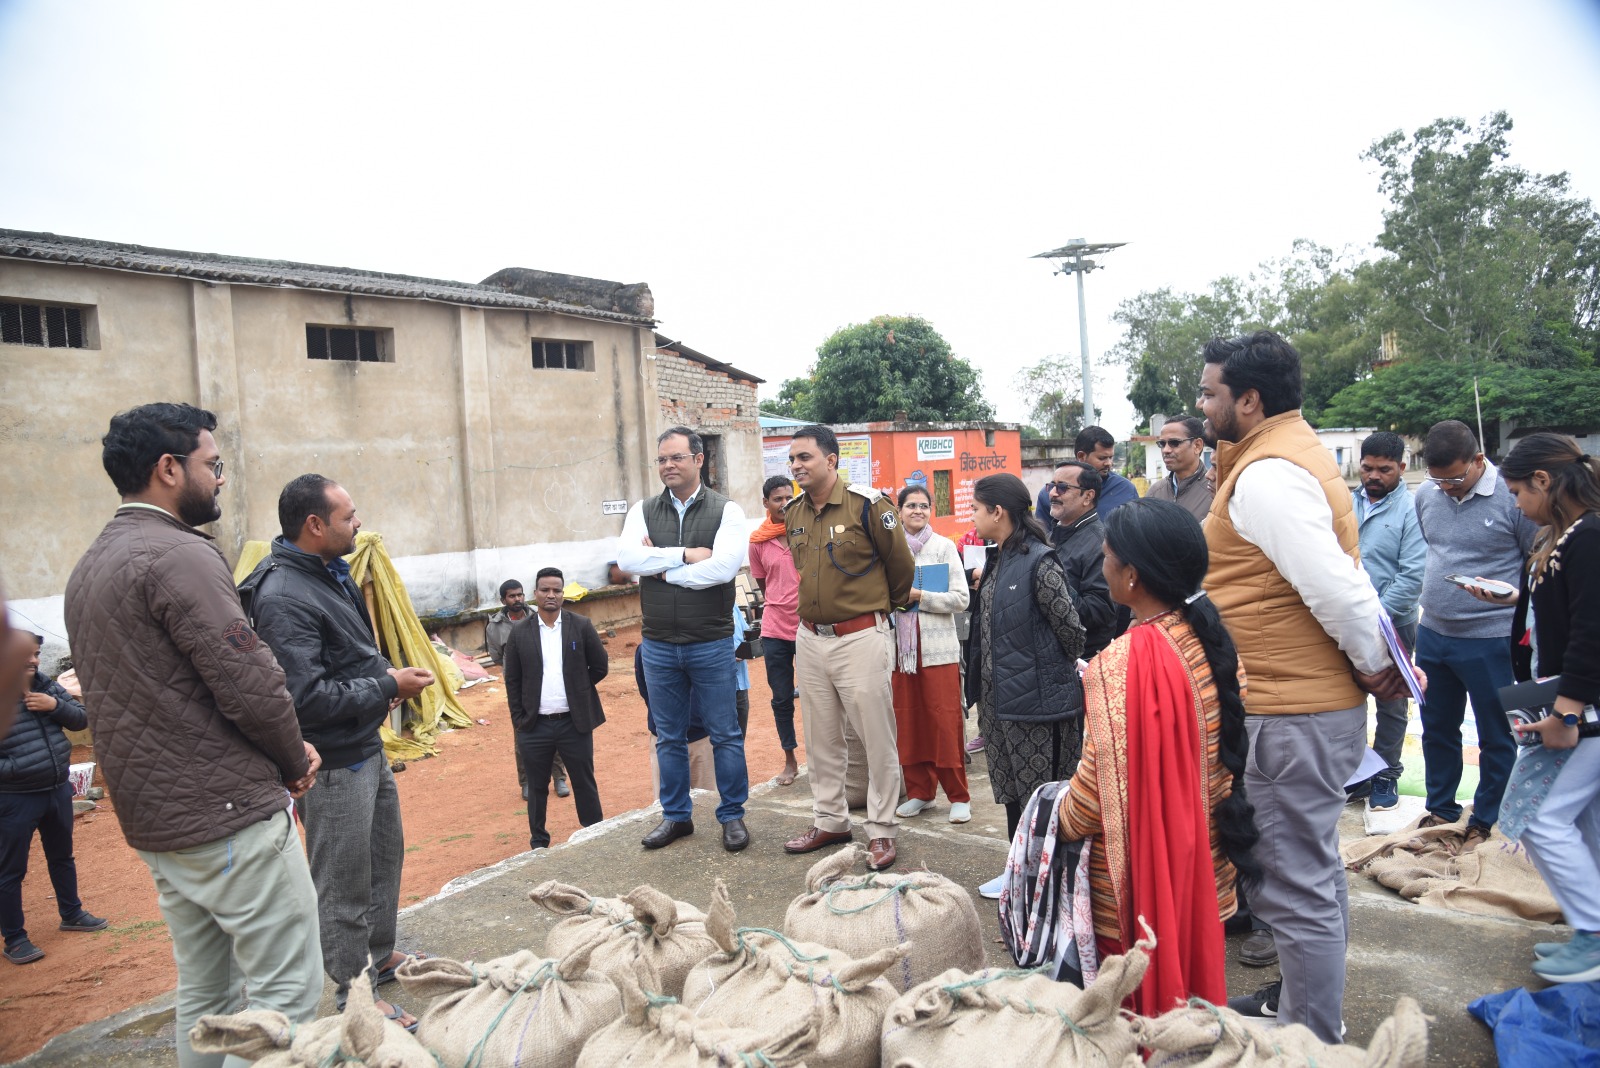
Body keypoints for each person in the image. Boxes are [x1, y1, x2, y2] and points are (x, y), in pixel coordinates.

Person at [64, 402, 323, 1068]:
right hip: (228, 815)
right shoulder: (179, 556)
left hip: (162, 825)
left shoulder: (91, 565)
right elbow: (250, 681)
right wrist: (293, 759)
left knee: (207, 995)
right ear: (168, 468)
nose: (221, 479)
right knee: (286, 996)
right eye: (214, 465)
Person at [1197, 332, 1411, 1042]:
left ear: (1249, 400)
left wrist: (1374, 662)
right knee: (1312, 876)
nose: (1201, 406)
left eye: (1209, 393)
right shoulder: (1281, 454)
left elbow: (1338, 589)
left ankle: (1311, 1043)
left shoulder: (1267, 476)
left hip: (1288, 709)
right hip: (1299, 703)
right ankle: (1312, 1017)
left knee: (1292, 885)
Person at [247, 473, 435, 1030]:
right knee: (343, 879)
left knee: (383, 857)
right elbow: (304, 699)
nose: (358, 525)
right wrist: (388, 687)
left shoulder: (329, 572)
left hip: (364, 745)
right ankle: (354, 996)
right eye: (349, 517)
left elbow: (352, 653)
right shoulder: (282, 596)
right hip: (329, 761)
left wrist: (382, 675)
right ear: (314, 525)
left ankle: (378, 958)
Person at [1058, 499, 1260, 1015]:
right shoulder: (1211, 643)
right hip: (1201, 863)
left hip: (1134, 882)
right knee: (1187, 1000)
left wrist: (1053, 822)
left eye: (1106, 557)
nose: (1101, 567)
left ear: (1131, 577)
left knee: (1126, 1009)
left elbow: (1091, 793)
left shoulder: (1118, 665)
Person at [1486, 433, 1600, 984]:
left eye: (1516, 492)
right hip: (1573, 700)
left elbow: (1591, 632)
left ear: (1543, 481)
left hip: (1582, 707)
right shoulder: (1567, 536)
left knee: (1539, 817)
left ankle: (1594, 931)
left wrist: (1568, 713)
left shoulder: (1590, 536)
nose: (1516, 504)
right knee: (1582, 817)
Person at [782, 424, 915, 872]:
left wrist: (877, 612)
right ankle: (831, 820)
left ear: (832, 460)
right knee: (821, 739)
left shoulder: (869, 505)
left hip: (860, 636)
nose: (797, 466)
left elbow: (901, 566)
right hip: (811, 638)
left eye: (805, 458)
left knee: (875, 738)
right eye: (793, 459)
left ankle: (881, 830)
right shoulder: (795, 512)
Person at [616, 426, 750, 853]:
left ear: (699, 460)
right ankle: (676, 816)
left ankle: (732, 817)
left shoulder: (726, 511)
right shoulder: (642, 509)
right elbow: (627, 559)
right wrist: (685, 555)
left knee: (724, 733)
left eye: (675, 457)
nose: (667, 466)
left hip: (710, 642)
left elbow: (723, 569)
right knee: (668, 736)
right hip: (657, 644)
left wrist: (659, 568)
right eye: (661, 459)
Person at [1413, 420, 1537, 847]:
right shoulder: (1426, 494)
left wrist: (1510, 596)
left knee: (1496, 734)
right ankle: (1441, 809)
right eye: (1438, 478)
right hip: (1433, 634)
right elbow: (1435, 547)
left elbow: (1534, 563)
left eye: (1454, 477)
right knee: (1437, 727)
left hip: (1493, 638)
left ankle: (1486, 819)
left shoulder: (1514, 497)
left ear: (1479, 460)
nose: (1446, 487)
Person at [966, 473, 1085, 898]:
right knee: (1014, 795)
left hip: (1037, 705)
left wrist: (1043, 670)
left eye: (977, 509)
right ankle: (1020, 872)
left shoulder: (1040, 561)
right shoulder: (998, 560)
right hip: (1000, 704)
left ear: (998, 512)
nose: (973, 517)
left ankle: (1044, 882)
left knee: (1041, 800)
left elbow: (1072, 631)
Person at [1, 633, 108, 966]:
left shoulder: (44, 685)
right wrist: (15, 769)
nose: (34, 660)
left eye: (36, 654)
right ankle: (15, 938)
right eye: (26, 655)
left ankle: (71, 913)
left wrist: (54, 705)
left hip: (57, 788)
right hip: (15, 798)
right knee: (10, 870)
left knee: (62, 856)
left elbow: (81, 718)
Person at [504, 567, 607, 852]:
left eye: (557, 590)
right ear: (535, 594)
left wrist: (577, 689)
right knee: (536, 787)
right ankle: (539, 842)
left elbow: (600, 666)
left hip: (574, 723)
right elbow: (512, 679)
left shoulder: (581, 626)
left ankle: (595, 834)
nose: (551, 595)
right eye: (545, 590)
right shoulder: (519, 633)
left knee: (584, 780)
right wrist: (519, 719)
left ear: (563, 594)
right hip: (534, 726)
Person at [1350, 431, 1427, 812]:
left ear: (1402, 466)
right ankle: (1356, 774)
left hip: (1393, 623)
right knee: (1348, 701)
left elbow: (1412, 576)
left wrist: (1371, 617)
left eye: (1384, 469)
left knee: (1392, 702)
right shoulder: (1345, 505)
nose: (1374, 476)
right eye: (1367, 468)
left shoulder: (1411, 509)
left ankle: (1386, 774)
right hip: (1344, 623)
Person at [890, 483, 972, 823]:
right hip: (900, 653)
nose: (918, 511)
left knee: (944, 720)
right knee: (908, 721)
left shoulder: (944, 548)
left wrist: (919, 595)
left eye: (924, 506)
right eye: (911, 505)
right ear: (899, 511)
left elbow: (961, 599)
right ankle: (920, 793)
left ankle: (958, 795)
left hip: (939, 651)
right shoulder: (890, 550)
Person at [486, 580, 569, 802]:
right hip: (518, 689)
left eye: (520, 595)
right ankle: (527, 782)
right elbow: (496, 657)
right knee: (523, 735)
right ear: (503, 600)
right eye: (512, 596)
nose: (517, 600)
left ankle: (559, 777)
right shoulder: (494, 627)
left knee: (555, 729)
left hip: (547, 682)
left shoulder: (538, 616)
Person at [748, 475, 802, 786]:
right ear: (766, 503)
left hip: (810, 626)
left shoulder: (806, 529)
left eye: (788, 497)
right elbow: (764, 585)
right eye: (777, 499)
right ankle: (790, 759)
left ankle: (826, 759)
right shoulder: (757, 542)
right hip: (774, 629)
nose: (784, 503)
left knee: (820, 697)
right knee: (781, 698)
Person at [1046, 460, 1116, 659]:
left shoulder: (1099, 542)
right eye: (1051, 486)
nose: (1053, 493)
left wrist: (1048, 585)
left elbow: (1100, 611)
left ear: (1088, 496)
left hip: (1082, 660)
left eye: (1062, 487)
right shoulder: (1054, 533)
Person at [1145, 416, 1213, 523]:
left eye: (1174, 443)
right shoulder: (1154, 493)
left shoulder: (1214, 491)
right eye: (1162, 444)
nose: (1166, 450)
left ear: (1197, 446)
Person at [1077, 426, 1140, 519]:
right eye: (1102, 458)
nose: (1109, 463)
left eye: (1111, 457)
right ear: (1082, 457)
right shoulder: (1059, 492)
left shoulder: (1126, 489)